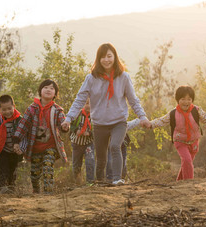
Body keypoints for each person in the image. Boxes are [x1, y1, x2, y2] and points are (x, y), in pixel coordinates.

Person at [61, 43, 151, 185]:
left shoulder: (124, 77)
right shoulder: (91, 79)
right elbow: (80, 100)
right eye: (102, 57)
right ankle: (99, 182)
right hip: (99, 123)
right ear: (98, 59)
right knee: (101, 157)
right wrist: (68, 119)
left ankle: (117, 179)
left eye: (109, 56)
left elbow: (133, 100)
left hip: (119, 122)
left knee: (115, 146)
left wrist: (143, 117)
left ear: (115, 57)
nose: (106, 60)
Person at [13, 79, 68, 194]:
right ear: (40, 91)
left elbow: (62, 122)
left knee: (48, 166)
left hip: (51, 146)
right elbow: (23, 125)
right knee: (35, 174)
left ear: (55, 94)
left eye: (52, 88)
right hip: (35, 147)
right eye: (46, 87)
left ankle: (48, 193)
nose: (48, 90)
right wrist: (16, 140)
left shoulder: (57, 110)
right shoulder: (32, 109)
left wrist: (64, 126)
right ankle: (36, 191)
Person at [150, 85, 206, 181]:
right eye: (183, 99)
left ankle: (179, 183)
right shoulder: (173, 113)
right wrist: (150, 124)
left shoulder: (196, 110)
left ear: (192, 100)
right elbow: (161, 121)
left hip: (194, 142)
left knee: (186, 163)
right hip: (180, 142)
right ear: (178, 100)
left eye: (189, 99)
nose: (186, 102)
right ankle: (189, 183)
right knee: (187, 160)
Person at [70, 99, 95, 184]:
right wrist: (76, 130)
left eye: (91, 104)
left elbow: (97, 129)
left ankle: (90, 182)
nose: (88, 105)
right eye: (86, 103)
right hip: (76, 143)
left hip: (88, 143)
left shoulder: (95, 116)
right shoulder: (77, 114)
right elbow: (70, 124)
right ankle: (77, 182)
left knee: (90, 161)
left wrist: (90, 133)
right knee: (76, 164)